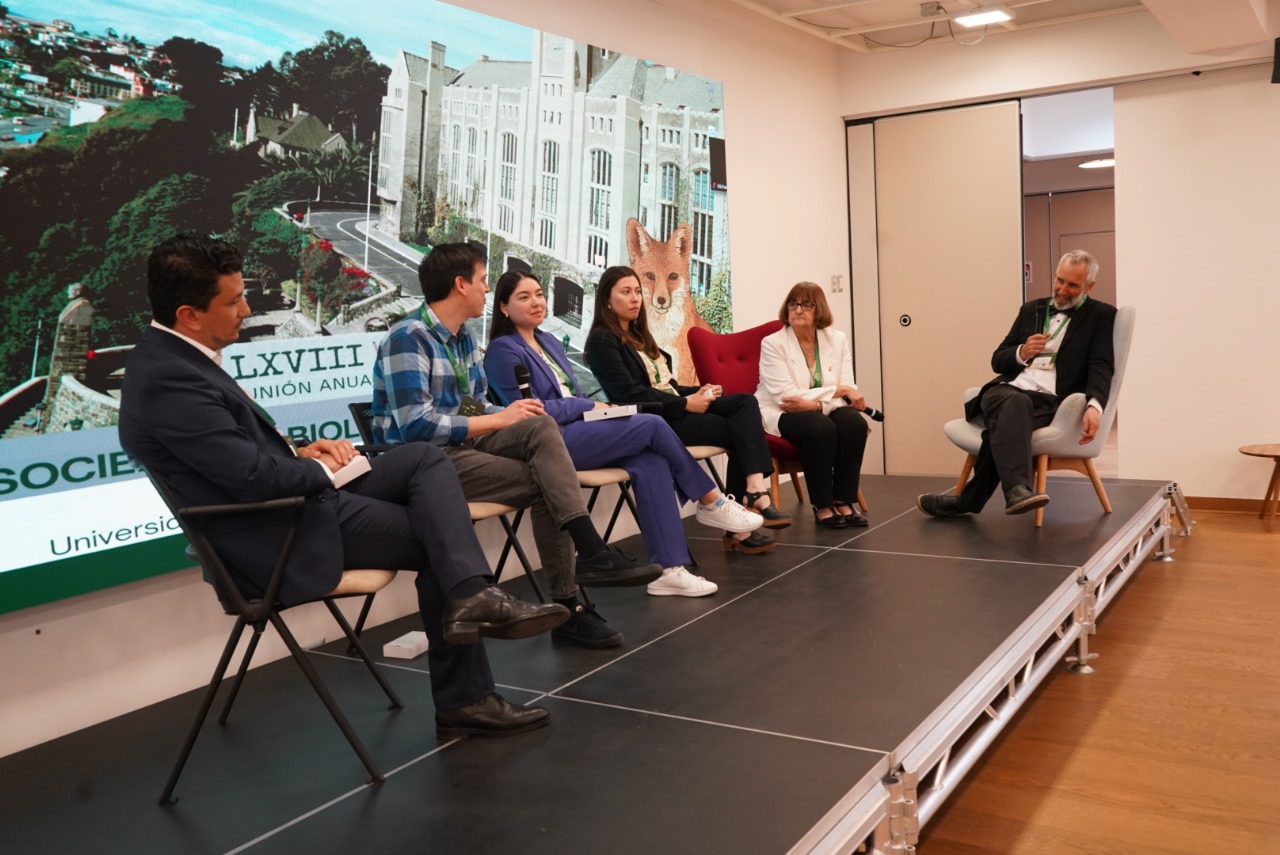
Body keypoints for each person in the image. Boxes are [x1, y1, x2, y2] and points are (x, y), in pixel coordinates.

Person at [118, 233, 568, 740]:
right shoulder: (170, 381)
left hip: (299, 500)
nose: (246, 309)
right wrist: (326, 473)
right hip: (281, 530)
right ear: (189, 315)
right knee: (443, 538)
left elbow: (232, 457)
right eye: (233, 301)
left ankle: (473, 601)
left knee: (422, 459)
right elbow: (251, 479)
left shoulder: (175, 360)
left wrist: (303, 452)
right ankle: (468, 680)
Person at [370, 243, 682, 648]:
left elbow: (472, 404)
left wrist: (509, 412)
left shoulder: (463, 339)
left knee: (539, 425)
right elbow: (416, 426)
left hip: (465, 446)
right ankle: (574, 596)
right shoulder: (408, 338)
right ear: (460, 285)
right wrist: (498, 418)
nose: (487, 289)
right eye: (483, 281)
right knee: (548, 481)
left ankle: (588, 562)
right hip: (423, 461)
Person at [485, 272, 770, 595]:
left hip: (582, 427)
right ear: (504, 307)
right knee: (651, 424)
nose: (536, 302)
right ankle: (710, 500)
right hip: (552, 440)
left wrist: (594, 409)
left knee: (652, 462)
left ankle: (669, 570)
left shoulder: (548, 341)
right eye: (524, 297)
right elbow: (527, 411)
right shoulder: (502, 350)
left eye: (538, 294)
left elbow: (573, 394)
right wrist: (586, 406)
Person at [584, 265, 791, 530]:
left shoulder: (638, 335)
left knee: (745, 403)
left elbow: (666, 385)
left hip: (673, 406)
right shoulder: (603, 340)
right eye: (626, 292)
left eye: (637, 291)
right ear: (607, 300)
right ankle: (745, 512)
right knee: (738, 429)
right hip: (656, 419)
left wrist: (697, 392)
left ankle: (754, 489)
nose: (635, 298)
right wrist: (685, 404)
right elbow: (629, 393)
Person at [916, 249, 1116, 517]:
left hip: (1050, 402)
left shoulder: (1102, 315)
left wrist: (1095, 406)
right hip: (1006, 390)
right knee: (1015, 402)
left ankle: (969, 501)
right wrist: (1021, 352)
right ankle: (1017, 489)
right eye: (1059, 280)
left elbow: (1101, 364)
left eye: (1072, 285)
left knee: (1005, 424)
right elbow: (997, 360)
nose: (1062, 290)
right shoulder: (1031, 309)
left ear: (1089, 286)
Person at [756, 283, 870, 528]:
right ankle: (823, 505)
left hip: (820, 408)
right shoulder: (773, 343)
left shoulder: (837, 339)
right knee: (820, 427)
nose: (798, 310)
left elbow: (848, 388)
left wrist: (817, 404)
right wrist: (836, 392)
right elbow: (786, 396)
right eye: (793, 304)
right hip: (781, 411)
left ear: (819, 309)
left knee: (854, 423)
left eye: (806, 304)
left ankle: (843, 500)